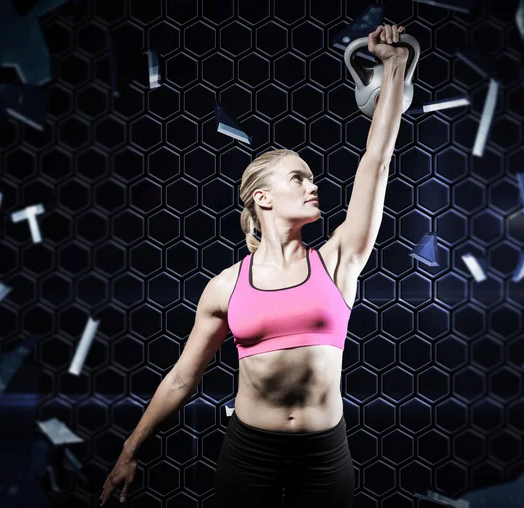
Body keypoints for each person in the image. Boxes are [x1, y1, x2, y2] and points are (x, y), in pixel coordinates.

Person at [100, 24, 409, 508]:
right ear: (262, 198)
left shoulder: (339, 259)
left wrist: (393, 68)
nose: (313, 185)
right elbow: (183, 378)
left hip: (325, 454)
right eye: (298, 177)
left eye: (311, 177)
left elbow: (377, 159)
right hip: (250, 453)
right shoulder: (226, 286)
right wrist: (129, 451)